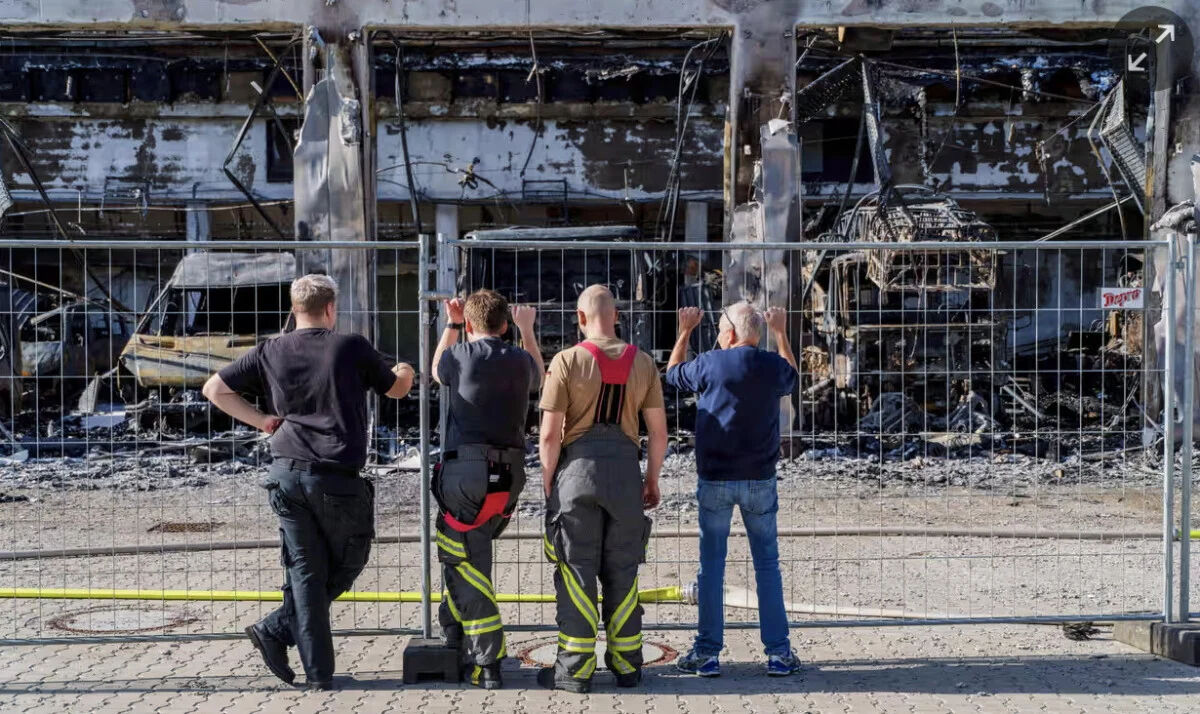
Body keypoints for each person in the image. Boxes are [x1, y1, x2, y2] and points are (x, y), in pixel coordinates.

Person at [202, 274, 413, 691]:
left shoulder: (269, 350)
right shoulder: (349, 346)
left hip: (285, 472)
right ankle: (278, 628)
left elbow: (215, 388)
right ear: (331, 308)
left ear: (294, 307)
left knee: (305, 572)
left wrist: (262, 421)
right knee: (349, 560)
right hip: (335, 477)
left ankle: (311, 667)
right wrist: (405, 366)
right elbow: (398, 390)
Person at [537, 284, 667, 693]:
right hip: (626, 477)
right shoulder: (644, 363)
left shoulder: (566, 360)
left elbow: (549, 436)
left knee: (577, 572)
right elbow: (659, 433)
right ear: (617, 317)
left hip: (576, 476)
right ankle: (628, 666)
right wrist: (651, 480)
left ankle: (574, 672)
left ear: (579, 318)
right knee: (623, 573)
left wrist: (550, 487)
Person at [665, 302, 802, 678]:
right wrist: (781, 333)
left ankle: (707, 653)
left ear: (729, 333)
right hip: (760, 478)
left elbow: (673, 374)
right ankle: (778, 653)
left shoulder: (710, 363)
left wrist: (685, 330)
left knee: (711, 567)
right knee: (767, 566)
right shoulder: (771, 366)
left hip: (715, 478)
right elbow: (792, 375)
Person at [430, 289, 543, 690]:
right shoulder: (519, 359)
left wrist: (452, 323)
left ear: (472, 325)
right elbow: (538, 377)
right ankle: (454, 631)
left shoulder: (459, 355)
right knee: (470, 554)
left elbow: (435, 370)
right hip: (509, 474)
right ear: (507, 324)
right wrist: (528, 331)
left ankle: (488, 660)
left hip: (467, 472)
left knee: (463, 561)